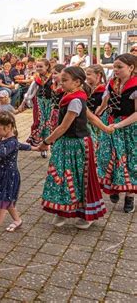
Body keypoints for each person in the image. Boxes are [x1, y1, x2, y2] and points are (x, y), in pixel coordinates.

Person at [38, 66, 111, 229]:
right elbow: (90, 116)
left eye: (65, 80)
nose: (60, 82)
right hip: (66, 143)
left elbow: (64, 127)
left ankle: (87, 214)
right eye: (61, 79)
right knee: (61, 175)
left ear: (77, 82)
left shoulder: (76, 99)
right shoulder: (71, 96)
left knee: (80, 178)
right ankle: (63, 210)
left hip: (77, 144)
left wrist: (46, 142)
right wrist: (105, 128)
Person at [0, 111, 38, 237]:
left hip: (8, 175)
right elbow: (24, 146)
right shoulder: (7, 138)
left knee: (3, 201)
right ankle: (17, 220)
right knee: (7, 201)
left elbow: (2, 153)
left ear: (8, 127)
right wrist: (37, 148)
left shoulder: (11, 142)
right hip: (1, 172)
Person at [95, 53, 136, 213]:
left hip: (129, 128)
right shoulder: (112, 83)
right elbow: (106, 101)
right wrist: (98, 112)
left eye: (120, 67)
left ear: (131, 68)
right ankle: (114, 187)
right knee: (106, 157)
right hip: (111, 123)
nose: (116, 70)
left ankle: (129, 196)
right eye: (115, 67)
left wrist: (118, 125)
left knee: (129, 161)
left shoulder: (135, 86)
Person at [18, 58, 55, 158]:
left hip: (50, 103)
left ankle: (47, 145)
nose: (38, 68)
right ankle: (42, 146)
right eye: (37, 66)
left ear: (47, 67)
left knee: (49, 124)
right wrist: (23, 104)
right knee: (40, 122)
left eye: (41, 66)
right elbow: (30, 92)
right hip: (39, 102)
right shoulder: (37, 78)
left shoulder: (52, 77)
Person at [85, 65, 107, 145]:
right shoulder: (85, 87)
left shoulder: (105, 89)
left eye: (88, 74)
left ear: (98, 75)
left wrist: (101, 108)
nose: (86, 77)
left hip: (100, 121)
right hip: (87, 121)